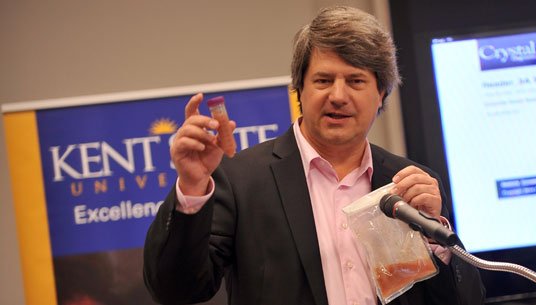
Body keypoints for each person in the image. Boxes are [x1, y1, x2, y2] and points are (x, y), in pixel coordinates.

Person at [143, 5, 485, 305]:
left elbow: (466, 299)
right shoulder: (240, 180)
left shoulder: (411, 182)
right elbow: (177, 291)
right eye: (323, 80)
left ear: (381, 94)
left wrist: (435, 236)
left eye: (355, 81)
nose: (338, 95)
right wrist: (190, 187)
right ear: (299, 90)